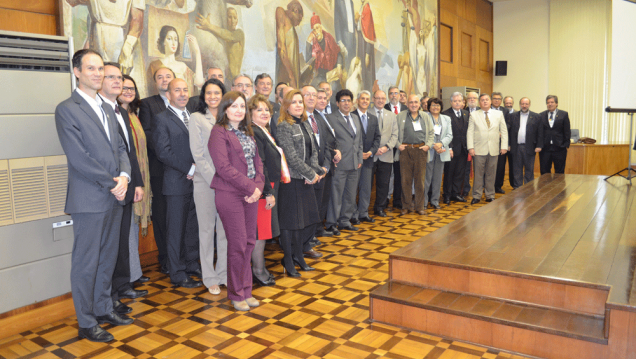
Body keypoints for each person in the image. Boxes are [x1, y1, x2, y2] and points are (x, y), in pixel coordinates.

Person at [55, 49, 133, 343]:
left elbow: (122, 150)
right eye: (91, 68)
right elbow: (79, 157)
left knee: (107, 258)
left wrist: (124, 177)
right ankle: (86, 322)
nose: (98, 74)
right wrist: (112, 182)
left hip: (114, 195)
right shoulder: (67, 108)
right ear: (76, 71)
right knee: (86, 262)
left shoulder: (106, 108)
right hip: (89, 199)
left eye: (101, 68)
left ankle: (103, 308)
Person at [98, 63, 147, 314]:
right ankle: (110, 296)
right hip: (108, 188)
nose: (117, 82)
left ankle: (120, 289)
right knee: (109, 246)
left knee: (120, 242)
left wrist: (136, 182)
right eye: (111, 77)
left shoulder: (122, 112)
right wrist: (117, 182)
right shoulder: (99, 110)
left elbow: (130, 152)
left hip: (127, 185)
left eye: (120, 77)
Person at [209, 91, 265, 311]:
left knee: (250, 242)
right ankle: (236, 293)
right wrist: (251, 187)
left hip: (251, 194)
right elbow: (223, 168)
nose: (239, 110)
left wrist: (258, 187)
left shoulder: (247, 132)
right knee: (238, 244)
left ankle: (247, 290)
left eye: (242, 106)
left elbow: (258, 164)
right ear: (225, 109)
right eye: (234, 106)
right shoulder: (218, 132)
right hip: (229, 194)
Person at [152, 79, 202, 288]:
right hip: (175, 184)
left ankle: (192, 265)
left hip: (197, 184)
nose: (182, 94)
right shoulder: (161, 119)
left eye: (185, 89)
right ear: (168, 95)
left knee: (192, 228)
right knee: (175, 230)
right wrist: (190, 169)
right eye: (177, 90)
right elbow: (163, 153)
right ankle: (177, 272)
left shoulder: (194, 117)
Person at [275, 89, 325, 275]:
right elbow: (291, 156)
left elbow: (313, 151)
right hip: (292, 182)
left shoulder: (305, 124)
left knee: (304, 221)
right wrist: (309, 174)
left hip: (305, 180)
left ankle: (298, 256)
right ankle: (288, 260)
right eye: (294, 102)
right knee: (290, 223)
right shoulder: (283, 126)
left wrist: (314, 171)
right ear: (286, 106)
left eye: (300, 102)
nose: (298, 105)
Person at [189, 78, 228, 295]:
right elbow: (198, 154)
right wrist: (217, 179)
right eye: (208, 93)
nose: (213, 97)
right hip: (206, 182)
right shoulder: (196, 118)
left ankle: (223, 273)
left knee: (224, 231)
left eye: (217, 93)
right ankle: (209, 277)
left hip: (228, 185)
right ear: (203, 96)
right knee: (206, 230)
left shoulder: (227, 117)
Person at [138, 67, 173, 274]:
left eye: (168, 76)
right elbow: (147, 133)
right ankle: (165, 259)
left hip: (182, 170)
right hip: (160, 169)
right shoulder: (148, 104)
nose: (164, 80)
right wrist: (167, 152)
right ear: (155, 83)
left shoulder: (183, 103)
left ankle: (180, 256)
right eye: (160, 77)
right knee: (162, 215)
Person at [117, 75, 151, 287]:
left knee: (131, 229)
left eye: (132, 88)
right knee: (126, 229)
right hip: (126, 178)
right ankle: (127, 277)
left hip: (138, 177)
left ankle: (134, 273)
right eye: (124, 87)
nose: (129, 91)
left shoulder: (132, 114)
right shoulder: (116, 114)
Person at [248, 94, 279, 286]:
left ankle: (260, 268)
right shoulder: (254, 132)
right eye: (259, 109)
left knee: (264, 231)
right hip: (261, 189)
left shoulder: (264, 130)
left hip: (268, 187)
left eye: (266, 109)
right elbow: (261, 165)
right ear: (250, 113)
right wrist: (267, 192)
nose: (264, 112)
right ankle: (258, 270)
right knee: (259, 233)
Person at [301, 85, 336, 254]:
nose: (312, 98)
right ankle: (305, 242)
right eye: (307, 94)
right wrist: (313, 170)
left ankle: (312, 237)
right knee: (307, 209)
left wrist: (325, 167)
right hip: (307, 173)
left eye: (314, 95)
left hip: (322, 171)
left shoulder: (319, 119)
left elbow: (327, 145)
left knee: (317, 207)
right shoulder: (298, 120)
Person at [325, 89, 363, 232]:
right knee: (336, 195)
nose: (346, 103)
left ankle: (344, 221)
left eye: (348, 101)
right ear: (337, 103)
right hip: (339, 164)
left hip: (354, 163)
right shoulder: (331, 118)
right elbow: (329, 141)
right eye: (343, 101)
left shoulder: (355, 118)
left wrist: (359, 158)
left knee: (350, 195)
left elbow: (358, 142)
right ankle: (331, 223)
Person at [396, 94, 434, 215]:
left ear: (420, 104)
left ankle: (419, 207)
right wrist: (398, 145)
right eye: (411, 102)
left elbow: (431, 133)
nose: (413, 104)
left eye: (416, 102)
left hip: (421, 151)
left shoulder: (425, 117)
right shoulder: (400, 116)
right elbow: (394, 132)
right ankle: (406, 206)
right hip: (405, 151)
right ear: (407, 104)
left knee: (420, 180)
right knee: (405, 180)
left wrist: (428, 145)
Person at [467, 94, 508, 204]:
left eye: (486, 100)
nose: (484, 102)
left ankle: (490, 195)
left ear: (490, 102)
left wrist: (504, 146)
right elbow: (470, 132)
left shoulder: (499, 114)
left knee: (491, 173)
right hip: (478, 149)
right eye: (482, 100)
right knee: (478, 174)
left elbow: (504, 131)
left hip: (494, 149)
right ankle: (476, 195)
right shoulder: (474, 115)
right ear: (479, 103)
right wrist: (470, 147)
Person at [146, 26, 204, 97]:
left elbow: (199, 83)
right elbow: (151, 91)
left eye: (176, 39)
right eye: (169, 39)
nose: (173, 43)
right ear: (163, 41)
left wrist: (197, 51)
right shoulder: (155, 65)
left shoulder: (182, 66)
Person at [314, 88, 341, 235]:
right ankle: (316, 229)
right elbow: (321, 143)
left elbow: (331, 139)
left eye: (325, 98)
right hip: (321, 164)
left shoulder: (325, 116)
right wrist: (332, 153)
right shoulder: (314, 117)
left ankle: (319, 228)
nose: (323, 101)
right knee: (319, 200)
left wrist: (336, 152)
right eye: (319, 98)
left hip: (329, 162)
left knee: (324, 199)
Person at [351, 90, 380, 223]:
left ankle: (363, 213)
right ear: (357, 100)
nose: (365, 101)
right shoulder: (350, 116)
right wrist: (358, 152)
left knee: (366, 188)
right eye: (362, 98)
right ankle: (352, 215)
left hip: (368, 159)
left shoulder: (373, 118)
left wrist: (371, 152)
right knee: (352, 189)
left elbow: (377, 138)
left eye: (367, 99)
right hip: (354, 160)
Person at [195, 7, 244, 81]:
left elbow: (230, 36)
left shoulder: (239, 33)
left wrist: (209, 26)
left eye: (235, 18)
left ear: (237, 21)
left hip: (234, 79)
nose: (233, 20)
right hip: (221, 78)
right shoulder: (220, 34)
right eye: (230, 17)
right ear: (225, 19)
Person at [371, 90, 398, 217]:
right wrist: (373, 149)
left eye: (383, 98)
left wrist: (386, 147)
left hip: (386, 155)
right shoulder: (367, 112)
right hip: (370, 156)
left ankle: (380, 207)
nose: (380, 100)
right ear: (373, 99)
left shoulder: (391, 115)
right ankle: (363, 210)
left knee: (384, 183)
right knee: (367, 184)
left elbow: (395, 135)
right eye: (378, 98)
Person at [423, 98, 452, 210]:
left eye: (438, 105)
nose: (436, 107)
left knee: (437, 178)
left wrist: (441, 144)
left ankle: (435, 201)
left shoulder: (446, 118)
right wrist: (434, 145)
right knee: (426, 178)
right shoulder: (424, 117)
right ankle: (424, 201)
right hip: (429, 151)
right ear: (429, 107)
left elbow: (450, 135)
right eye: (433, 105)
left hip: (442, 151)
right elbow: (423, 135)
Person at [442, 92, 469, 204]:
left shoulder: (466, 113)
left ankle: (456, 193)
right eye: (455, 101)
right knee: (449, 173)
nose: (457, 103)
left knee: (459, 173)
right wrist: (449, 148)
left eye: (459, 101)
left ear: (463, 102)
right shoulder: (445, 114)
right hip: (451, 149)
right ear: (450, 102)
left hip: (463, 149)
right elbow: (445, 133)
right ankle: (447, 195)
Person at [509, 97, 542, 187]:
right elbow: (509, 132)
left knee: (529, 169)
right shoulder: (513, 116)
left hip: (530, 147)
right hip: (516, 147)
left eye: (526, 104)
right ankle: (517, 188)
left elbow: (540, 132)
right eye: (522, 104)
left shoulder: (536, 116)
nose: (524, 106)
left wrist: (539, 145)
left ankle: (528, 188)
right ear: (519, 104)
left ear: (529, 105)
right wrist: (508, 144)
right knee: (517, 169)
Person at [384, 86, 407, 211]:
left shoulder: (406, 109)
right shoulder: (384, 108)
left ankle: (397, 199)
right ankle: (385, 198)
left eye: (396, 93)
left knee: (399, 175)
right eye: (391, 93)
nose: (394, 95)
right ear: (389, 95)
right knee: (388, 175)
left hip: (402, 148)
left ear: (399, 95)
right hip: (387, 147)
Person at [539, 95, 571, 175]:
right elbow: (539, 132)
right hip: (545, 149)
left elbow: (567, 130)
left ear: (556, 103)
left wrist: (565, 145)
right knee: (544, 172)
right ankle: (545, 187)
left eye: (552, 102)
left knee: (559, 172)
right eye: (548, 102)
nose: (550, 104)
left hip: (559, 148)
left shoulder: (563, 114)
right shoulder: (541, 115)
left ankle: (559, 188)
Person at [276, 0, 303, 88]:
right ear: (295, 10)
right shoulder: (281, 12)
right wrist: (291, 77)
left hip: (293, 75)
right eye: (299, 19)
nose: (298, 24)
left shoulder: (293, 30)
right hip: (286, 73)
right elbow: (281, 47)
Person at [463, 91, 479, 197]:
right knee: (465, 169)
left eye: (474, 98)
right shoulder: (463, 112)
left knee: (479, 168)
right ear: (466, 100)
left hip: (479, 144)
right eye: (469, 98)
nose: (472, 100)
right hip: (465, 145)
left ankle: (478, 189)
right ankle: (465, 189)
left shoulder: (482, 111)